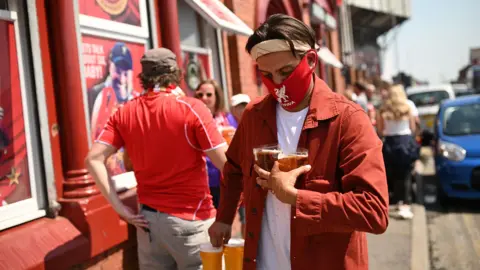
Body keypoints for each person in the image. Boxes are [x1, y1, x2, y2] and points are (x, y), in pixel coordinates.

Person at [208, 14, 388, 270]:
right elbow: (234, 169)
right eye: (267, 74)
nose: (278, 84)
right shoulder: (254, 114)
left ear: (311, 60)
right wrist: (224, 218)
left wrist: (295, 197)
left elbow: (374, 211)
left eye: (286, 71)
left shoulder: (349, 120)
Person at [85, 48, 228, 270]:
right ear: (175, 74)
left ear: (144, 76)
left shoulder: (125, 111)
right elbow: (227, 165)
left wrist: (120, 208)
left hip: (149, 222)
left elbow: (93, 159)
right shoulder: (192, 107)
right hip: (191, 220)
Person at [89, 42, 138, 175]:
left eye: (126, 70)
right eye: (118, 69)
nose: (122, 77)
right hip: (111, 177)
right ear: (110, 66)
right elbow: (94, 143)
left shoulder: (138, 100)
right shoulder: (100, 97)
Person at [377, 84, 418, 219]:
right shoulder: (409, 106)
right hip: (405, 142)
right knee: (406, 174)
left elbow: (380, 130)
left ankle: (393, 201)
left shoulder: (383, 108)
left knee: (390, 174)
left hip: (389, 143)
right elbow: (412, 127)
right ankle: (405, 205)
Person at [195, 80, 236, 209]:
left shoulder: (228, 119)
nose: (204, 98)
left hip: (223, 178)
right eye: (200, 95)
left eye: (208, 94)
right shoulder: (192, 119)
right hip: (202, 180)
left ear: (217, 97)